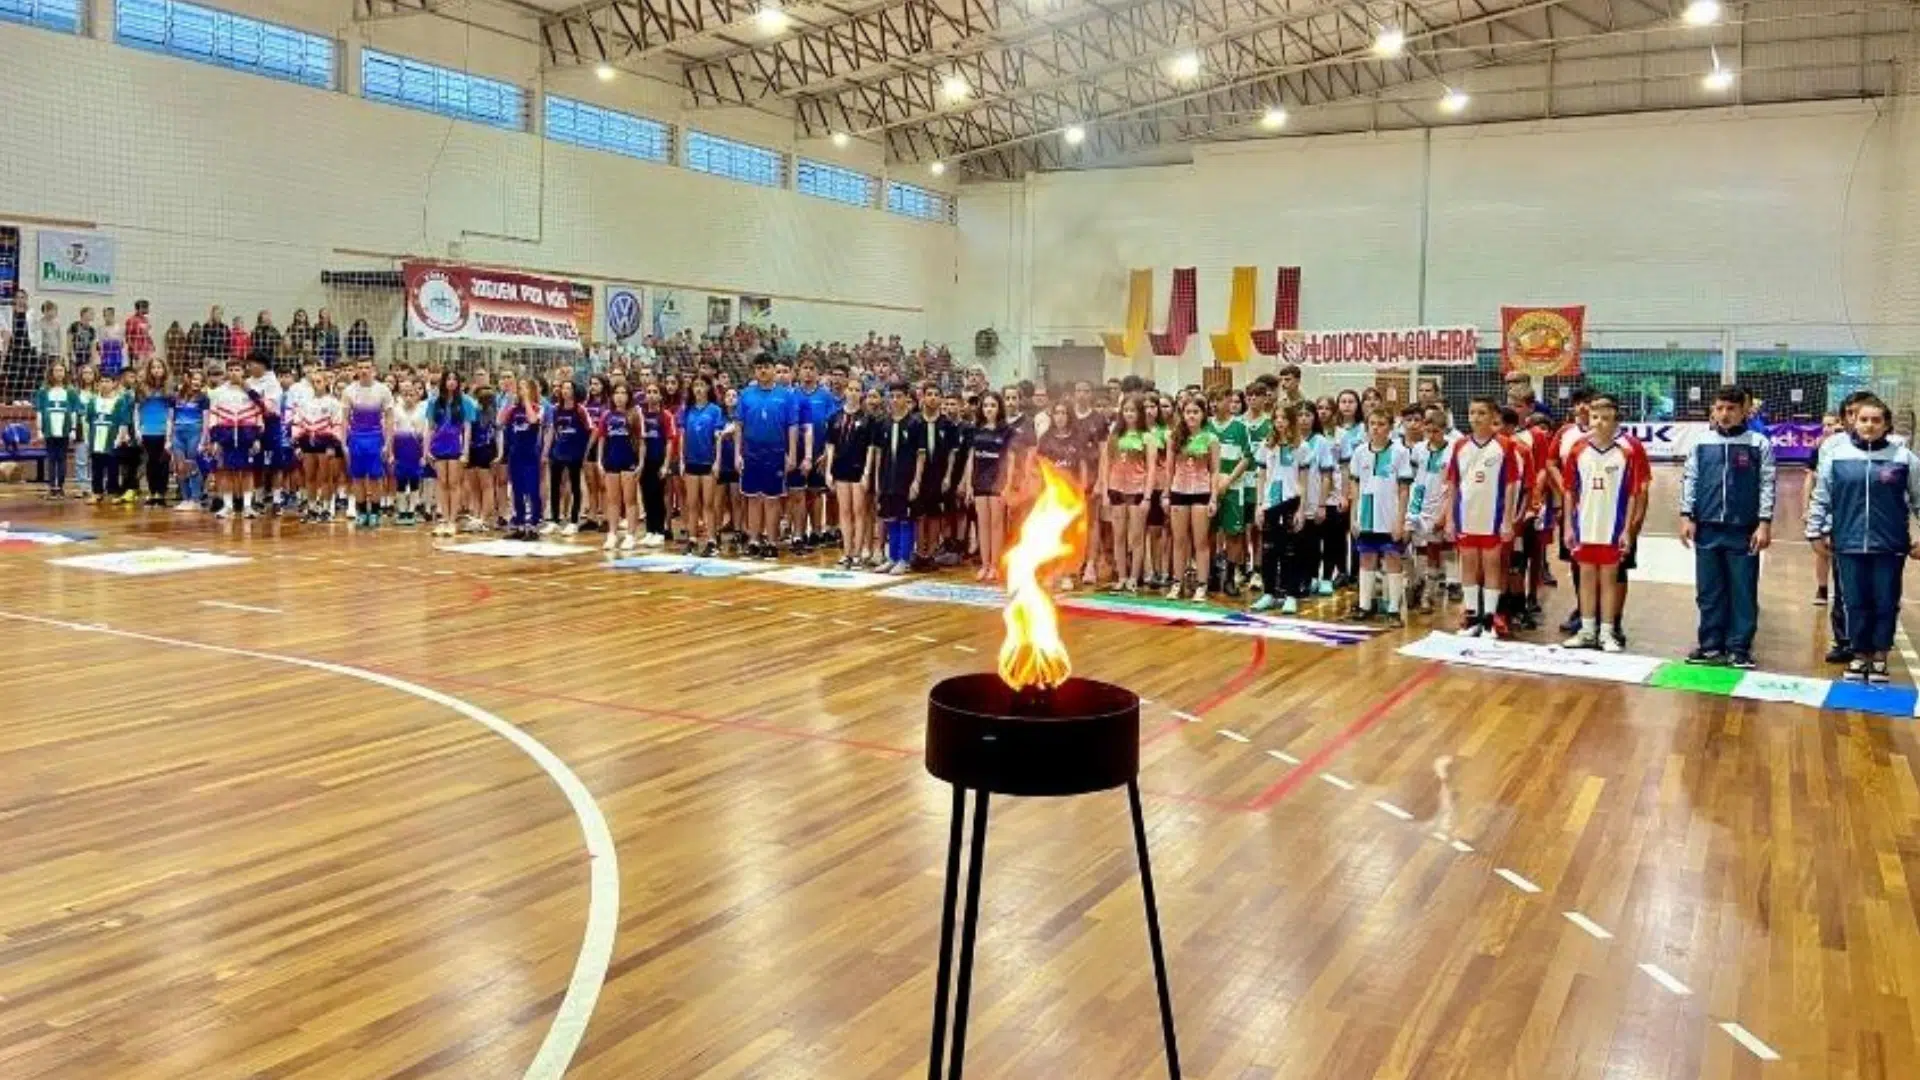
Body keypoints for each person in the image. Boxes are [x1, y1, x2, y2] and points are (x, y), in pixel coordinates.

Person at [1806, 394, 1920, 684]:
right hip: (1848, 543)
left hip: (1890, 545)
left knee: (1885, 601)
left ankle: (1880, 657)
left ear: (1887, 425)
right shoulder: (1836, 458)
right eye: (1863, 419)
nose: (1869, 425)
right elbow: (1822, 498)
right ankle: (1859, 656)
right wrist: (1815, 532)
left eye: (1876, 420)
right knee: (1854, 602)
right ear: (1853, 422)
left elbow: (1918, 500)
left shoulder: (1904, 459)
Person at [1679, 386, 1776, 669]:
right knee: (1708, 590)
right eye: (1720, 408)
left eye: (1731, 409)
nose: (1725, 414)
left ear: (1744, 411)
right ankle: (1710, 645)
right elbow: (1690, 479)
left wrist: (1764, 523)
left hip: (1743, 529)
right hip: (1706, 527)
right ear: (1713, 409)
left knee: (1743, 590)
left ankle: (1739, 648)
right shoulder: (1700, 443)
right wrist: (1687, 516)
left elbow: (1767, 484)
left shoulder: (1759, 443)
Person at [1560, 393, 1651, 652]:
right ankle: (1587, 630)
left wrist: (1628, 530)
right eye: (1595, 417)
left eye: (1606, 418)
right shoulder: (1578, 450)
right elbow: (1569, 491)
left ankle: (1608, 632)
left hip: (1612, 528)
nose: (1599, 423)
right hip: (1584, 526)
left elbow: (1635, 493)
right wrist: (1568, 525)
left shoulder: (1626, 453)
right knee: (1585, 578)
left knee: (1610, 580)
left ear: (1616, 422)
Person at [1438, 396, 1523, 638]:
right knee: (1469, 565)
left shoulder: (1505, 446)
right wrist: (1450, 519)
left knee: (1492, 565)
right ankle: (1472, 618)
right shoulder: (1460, 445)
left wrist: (1508, 519)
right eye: (1472, 412)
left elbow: (1510, 485)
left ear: (1494, 416)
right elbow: (1453, 483)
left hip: (1493, 518)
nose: (1475, 417)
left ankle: (1489, 621)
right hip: (1465, 516)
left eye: (1481, 413)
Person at [1346, 406, 1413, 622]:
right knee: (1366, 558)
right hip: (1366, 515)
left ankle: (1393, 608)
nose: (1376, 428)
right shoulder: (1359, 452)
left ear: (1390, 428)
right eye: (1372, 424)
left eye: (1381, 424)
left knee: (1393, 558)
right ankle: (1365, 605)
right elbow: (1354, 486)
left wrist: (1400, 521)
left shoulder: (1400, 452)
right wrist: (1353, 517)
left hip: (1390, 515)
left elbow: (1404, 490)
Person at [737, 355, 799, 559]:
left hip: (775, 453)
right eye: (758, 367)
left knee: (772, 500)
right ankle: (754, 540)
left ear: (773, 369)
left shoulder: (786, 395)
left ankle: (772, 542)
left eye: (766, 367)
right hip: (751, 453)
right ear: (754, 371)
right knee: (753, 498)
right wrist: (738, 454)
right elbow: (739, 425)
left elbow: (792, 426)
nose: (762, 371)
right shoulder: (745, 395)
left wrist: (791, 454)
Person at [1163, 396, 1220, 602]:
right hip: (1179, 491)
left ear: (1203, 414)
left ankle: (1202, 584)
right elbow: (1169, 469)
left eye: (1196, 412)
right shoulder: (1174, 437)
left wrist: (1213, 497)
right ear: (1182, 414)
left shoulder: (1211, 439)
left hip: (1202, 492)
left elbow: (1214, 471)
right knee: (1178, 541)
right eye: (1188, 412)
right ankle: (1177, 582)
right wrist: (1166, 494)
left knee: (1201, 541)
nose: (1192, 416)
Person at [874, 380, 928, 575]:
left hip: (907, 479)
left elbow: (921, 455)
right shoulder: (884, 423)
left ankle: (904, 559)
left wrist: (916, 481)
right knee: (890, 517)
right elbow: (880, 453)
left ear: (907, 398)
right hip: (888, 478)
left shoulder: (916, 423)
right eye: (892, 396)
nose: (895, 400)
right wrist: (878, 479)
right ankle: (892, 557)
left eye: (899, 396)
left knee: (906, 518)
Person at [825, 383, 877, 571]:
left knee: (859, 511)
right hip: (840, 469)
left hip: (859, 469)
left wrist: (867, 472)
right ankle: (846, 552)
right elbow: (830, 446)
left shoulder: (868, 419)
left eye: (857, 390)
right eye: (850, 389)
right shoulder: (834, 417)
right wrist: (828, 471)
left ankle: (857, 554)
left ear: (861, 393)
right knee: (844, 511)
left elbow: (871, 448)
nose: (853, 393)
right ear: (844, 391)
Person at [960, 390, 1011, 582]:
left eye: (993, 405)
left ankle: (996, 566)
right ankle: (985, 564)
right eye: (986, 405)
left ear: (999, 408)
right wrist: (969, 483)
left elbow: (1010, 460)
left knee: (997, 525)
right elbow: (971, 459)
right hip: (980, 481)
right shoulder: (976, 431)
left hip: (998, 482)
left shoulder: (1006, 431)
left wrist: (1008, 484)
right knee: (983, 524)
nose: (989, 409)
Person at [205, 358, 265, 519]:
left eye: (237, 370)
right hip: (226, 436)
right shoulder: (219, 392)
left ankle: (247, 506)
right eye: (230, 370)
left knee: (247, 472)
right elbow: (213, 415)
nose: (233, 373)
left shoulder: (252, 391)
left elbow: (259, 413)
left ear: (243, 371)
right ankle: (228, 506)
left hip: (247, 436)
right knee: (225, 471)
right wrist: (215, 439)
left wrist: (257, 437)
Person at [340, 359, 394, 527]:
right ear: (356, 370)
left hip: (376, 437)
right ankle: (362, 511)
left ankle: (376, 512)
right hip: (356, 437)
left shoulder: (383, 390)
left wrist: (388, 443)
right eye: (361, 367)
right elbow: (344, 419)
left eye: (367, 367)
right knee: (357, 477)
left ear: (374, 369)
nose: (364, 370)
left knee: (375, 477)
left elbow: (390, 418)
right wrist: (343, 442)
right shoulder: (349, 390)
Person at [591, 381, 641, 550]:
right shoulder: (607, 415)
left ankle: (630, 535)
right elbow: (602, 439)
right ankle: (612, 534)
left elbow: (641, 441)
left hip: (629, 461)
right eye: (617, 393)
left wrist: (640, 463)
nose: (620, 397)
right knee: (612, 500)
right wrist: (599, 461)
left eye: (623, 393)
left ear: (629, 396)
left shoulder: (634, 414)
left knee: (630, 500)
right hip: (611, 461)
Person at [680, 375, 725, 556]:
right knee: (692, 504)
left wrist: (717, 461)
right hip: (691, 461)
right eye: (695, 386)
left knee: (708, 504)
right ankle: (692, 540)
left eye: (702, 385)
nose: (698, 389)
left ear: (708, 388)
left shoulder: (715, 410)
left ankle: (712, 541)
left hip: (708, 462)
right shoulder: (687, 410)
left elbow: (719, 438)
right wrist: (682, 460)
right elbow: (682, 436)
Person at [426, 371, 473, 537]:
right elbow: (430, 427)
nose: (451, 382)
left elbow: (467, 428)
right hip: (438, 446)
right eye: (448, 379)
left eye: (455, 379)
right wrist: (426, 450)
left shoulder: (465, 401)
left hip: (455, 446)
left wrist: (465, 451)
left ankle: (453, 520)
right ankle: (444, 519)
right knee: (442, 482)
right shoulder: (434, 402)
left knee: (454, 483)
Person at [544, 379, 591, 537]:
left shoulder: (580, 410)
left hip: (575, 453)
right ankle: (555, 520)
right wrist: (546, 451)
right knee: (555, 486)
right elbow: (551, 430)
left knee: (575, 486)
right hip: (558, 452)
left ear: (574, 391)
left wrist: (586, 451)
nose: (565, 391)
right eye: (563, 388)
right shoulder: (555, 409)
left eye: (568, 388)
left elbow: (592, 429)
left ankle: (573, 521)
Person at [31, 361, 79, 499]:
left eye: (61, 371)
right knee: (52, 458)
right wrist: (40, 430)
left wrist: (73, 429)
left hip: (64, 429)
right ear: (51, 373)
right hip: (49, 429)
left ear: (65, 373)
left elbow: (74, 412)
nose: (59, 373)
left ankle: (61, 487)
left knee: (62, 458)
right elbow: (39, 411)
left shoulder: (70, 391)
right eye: (56, 370)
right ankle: (52, 486)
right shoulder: (43, 391)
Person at [636, 382, 675, 546]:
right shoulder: (641, 415)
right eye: (649, 392)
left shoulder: (666, 416)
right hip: (645, 462)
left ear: (660, 395)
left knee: (658, 496)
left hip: (659, 460)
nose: (651, 395)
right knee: (646, 496)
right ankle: (650, 530)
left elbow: (670, 441)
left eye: (655, 392)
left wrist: (666, 464)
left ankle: (660, 530)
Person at [388, 379, 429, 526]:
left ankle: (412, 510)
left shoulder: (422, 412)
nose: (409, 397)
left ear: (417, 396)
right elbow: (391, 433)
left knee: (414, 481)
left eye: (412, 394)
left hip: (415, 451)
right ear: (401, 395)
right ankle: (402, 510)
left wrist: (424, 455)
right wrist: (391, 453)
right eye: (405, 394)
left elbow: (425, 435)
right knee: (400, 481)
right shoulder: (396, 410)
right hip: (400, 450)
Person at [133, 357, 174, 506]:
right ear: (149, 370)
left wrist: (170, 434)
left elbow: (171, 413)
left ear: (164, 370)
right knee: (151, 463)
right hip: (148, 431)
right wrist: (138, 430)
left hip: (164, 430)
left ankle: (161, 493)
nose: (156, 370)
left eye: (159, 367)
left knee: (163, 462)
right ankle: (152, 492)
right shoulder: (141, 388)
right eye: (153, 367)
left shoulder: (169, 389)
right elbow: (136, 411)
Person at [170, 367, 210, 512]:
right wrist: (169, 439)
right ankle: (185, 499)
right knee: (180, 467)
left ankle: (195, 499)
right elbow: (170, 418)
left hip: (195, 432)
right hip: (178, 433)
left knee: (192, 466)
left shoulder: (203, 399)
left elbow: (206, 421)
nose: (197, 382)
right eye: (194, 379)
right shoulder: (176, 397)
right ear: (187, 379)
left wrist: (203, 440)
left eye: (200, 380)